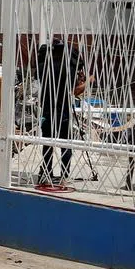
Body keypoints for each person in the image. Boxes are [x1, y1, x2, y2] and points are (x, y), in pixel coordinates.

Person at [34, 39, 86, 186]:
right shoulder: (69, 68)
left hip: (46, 110)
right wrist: (87, 81)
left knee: (47, 143)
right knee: (65, 144)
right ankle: (64, 176)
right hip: (62, 110)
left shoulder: (43, 66)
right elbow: (75, 91)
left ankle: (45, 173)